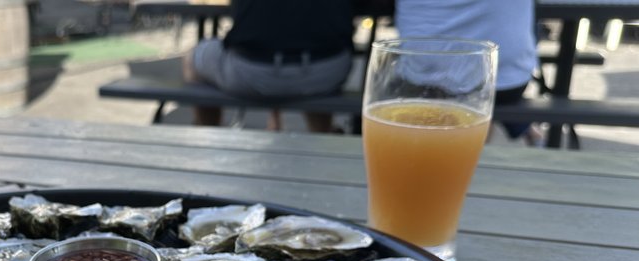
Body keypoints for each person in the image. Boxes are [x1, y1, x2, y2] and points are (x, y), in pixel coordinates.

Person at [182, 0, 356, 132]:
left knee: (193, 58)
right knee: (315, 46)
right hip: (328, 71)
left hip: (250, 70)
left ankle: (210, 136)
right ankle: (322, 137)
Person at [393, 0, 544, 146]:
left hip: (424, 73)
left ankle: (519, 127)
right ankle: (518, 127)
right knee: (484, 93)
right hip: (507, 77)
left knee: (476, 94)